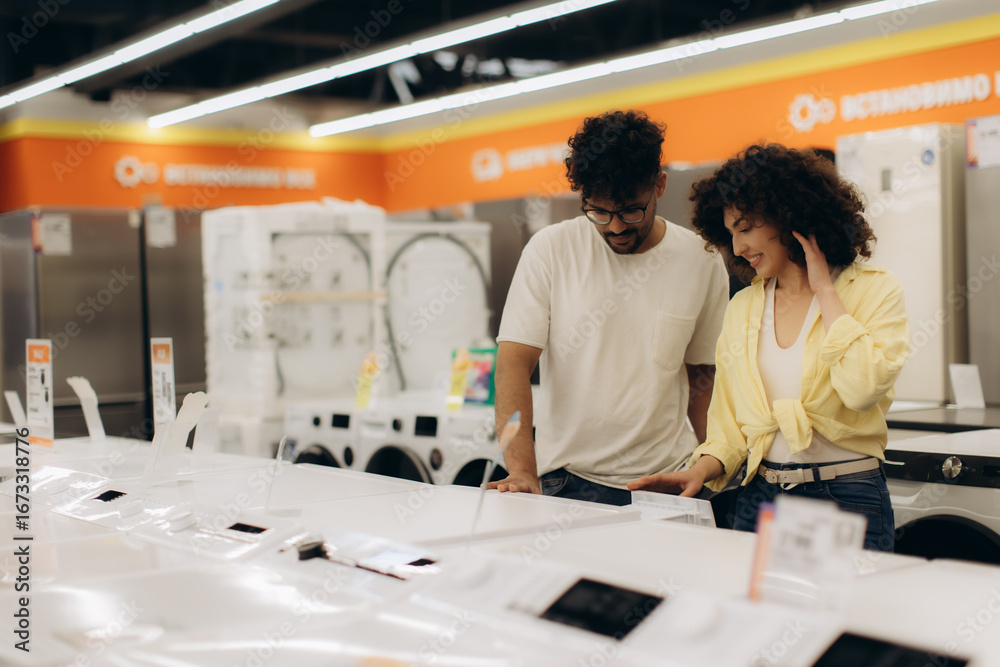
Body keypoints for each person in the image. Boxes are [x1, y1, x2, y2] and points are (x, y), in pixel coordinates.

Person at [628, 144, 910, 551]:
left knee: (843, 617)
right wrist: (701, 469)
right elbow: (729, 424)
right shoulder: (744, 306)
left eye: (745, 228)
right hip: (763, 497)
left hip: (847, 498)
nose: (738, 248)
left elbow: (862, 389)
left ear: (787, 214)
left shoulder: (873, 289)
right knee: (757, 616)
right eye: (730, 234)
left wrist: (825, 292)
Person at [488, 109, 730, 506]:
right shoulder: (552, 250)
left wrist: (713, 462)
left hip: (668, 480)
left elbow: (703, 380)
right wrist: (522, 470)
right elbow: (514, 363)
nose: (615, 227)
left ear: (660, 185)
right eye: (599, 212)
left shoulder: (700, 259)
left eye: (631, 210)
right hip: (568, 480)